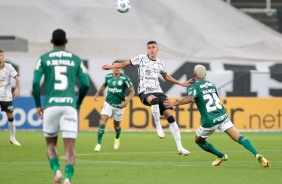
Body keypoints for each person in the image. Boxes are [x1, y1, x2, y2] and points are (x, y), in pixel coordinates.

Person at [164, 64, 271, 168]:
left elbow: (190, 99)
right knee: (239, 137)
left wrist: (174, 103)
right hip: (222, 115)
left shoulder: (194, 87)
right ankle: (256, 153)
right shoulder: (211, 84)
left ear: (194, 74)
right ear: (205, 74)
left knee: (198, 141)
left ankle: (221, 156)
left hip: (209, 120)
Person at [102, 41, 192, 156]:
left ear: (157, 49)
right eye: (149, 48)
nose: (151, 49)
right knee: (154, 100)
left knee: (170, 116)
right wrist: (111, 67)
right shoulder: (141, 58)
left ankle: (180, 147)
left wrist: (180, 83)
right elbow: (124, 64)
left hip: (158, 91)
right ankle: (158, 126)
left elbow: (166, 77)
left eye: (153, 47)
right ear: (147, 50)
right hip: (145, 92)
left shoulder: (160, 63)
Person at [32, 29, 90, 184]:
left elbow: (36, 84)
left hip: (50, 106)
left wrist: (38, 105)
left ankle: (57, 171)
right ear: (66, 41)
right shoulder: (75, 59)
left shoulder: (43, 59)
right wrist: (78, 103)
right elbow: (85, 84)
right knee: (70, 147)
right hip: (69, 106)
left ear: (52, 41)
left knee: (51, 143)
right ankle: (68, 179)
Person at [94, 61, 135, 152]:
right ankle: (98, 144)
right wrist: (97, 93)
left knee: (116, 126)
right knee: (103, 122)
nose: (116, 68)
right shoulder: (108, 77)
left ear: (121, 68)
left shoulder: (125, 78)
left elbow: (132, 91)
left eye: (118, 66)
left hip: (119, 106)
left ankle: (117, 138)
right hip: (108, 103)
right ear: (112, 67)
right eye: (114, 66)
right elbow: (104, 85)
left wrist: (127, 101)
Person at [0, 50, 21, 146]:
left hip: (7, 97)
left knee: (11, 117)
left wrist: (16, 89)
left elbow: (17, 79)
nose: (0, 57)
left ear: (3, 56)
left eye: (1, 55)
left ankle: (13, 138)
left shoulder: (9, 67)